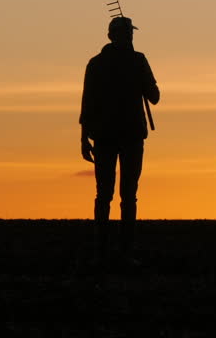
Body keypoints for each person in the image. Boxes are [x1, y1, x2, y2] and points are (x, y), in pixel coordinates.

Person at [79, 15, 160, 266]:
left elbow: (87, 104)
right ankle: (126, 253)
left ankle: (100, 253)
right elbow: (155, 96)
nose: (132, 37)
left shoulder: (95, 64)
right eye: (130, 34)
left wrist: (83, 138)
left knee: (104, 195)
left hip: (103, 136)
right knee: (128, 195)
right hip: (132, 136)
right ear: (126, 36)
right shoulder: (138, 61)